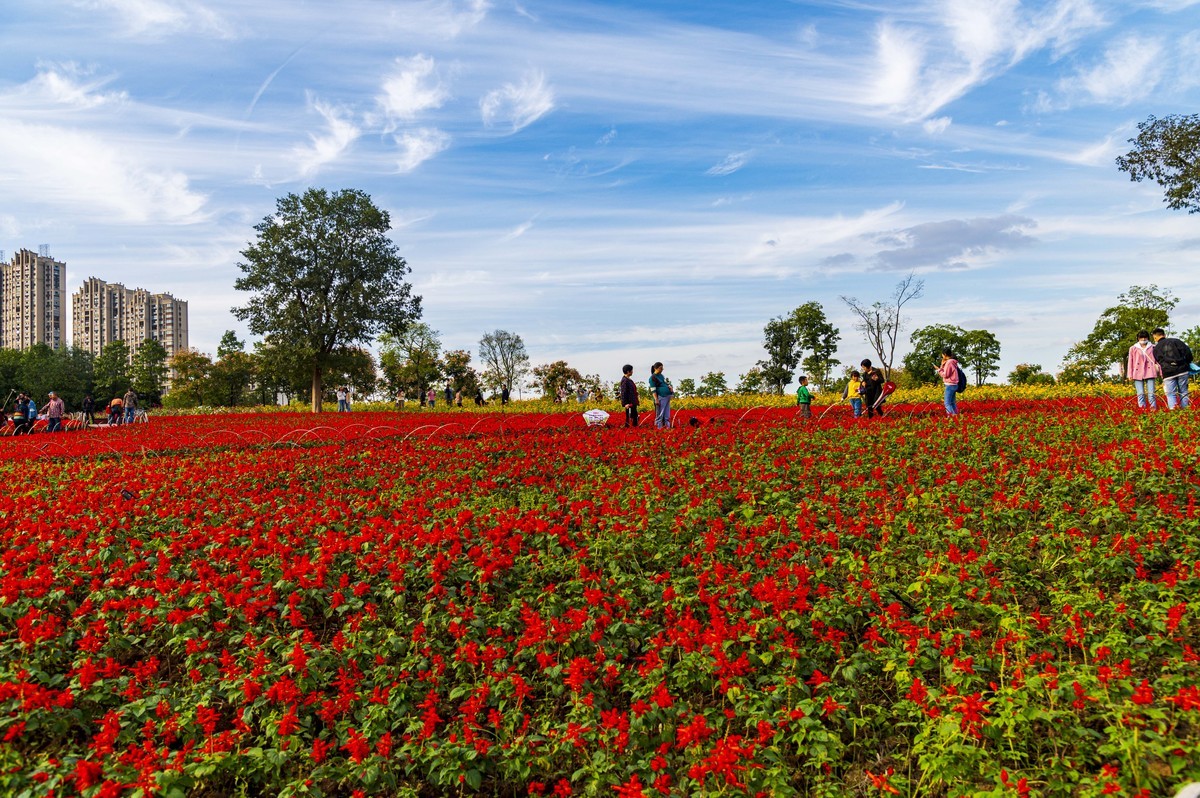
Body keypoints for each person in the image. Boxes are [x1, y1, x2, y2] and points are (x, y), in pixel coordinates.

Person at [1151, 328, 1192, 410]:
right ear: (1164, 334)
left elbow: (1159, 360)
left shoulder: (1156, 348)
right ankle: (1186, 411)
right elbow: (1188, 353)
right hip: (1182, 370)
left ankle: (1174, 411)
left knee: (1170, 394)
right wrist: (1186, 362)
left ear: (1155, 337)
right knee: (1183, 392)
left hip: (1168, 373)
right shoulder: (1177, 341)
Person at [1127, 331, 1159, 410]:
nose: (1143, 339)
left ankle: (1153, 409)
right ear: (1138, 338)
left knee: (1151, 394)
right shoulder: (1133, 348)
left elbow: (1158, 361)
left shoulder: (1153, 347)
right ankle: (1142, 410)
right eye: (1141, 337)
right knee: (1140, 393)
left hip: (1150, 371)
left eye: (1145, 337)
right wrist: (1130, 374)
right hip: (1138, 372)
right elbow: (1130, 362)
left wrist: (1160, 371)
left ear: (1148, 338)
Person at [649, 362, 674, 429]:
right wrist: (656, 399)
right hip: (661, 397)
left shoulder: (661, 376)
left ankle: (667, 427)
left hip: (667, 396)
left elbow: (664, 383)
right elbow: (653, 390)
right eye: (660, 368)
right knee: (660, 414)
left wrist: (669, 387)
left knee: (666, 414)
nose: (662, 369)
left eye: (662, 368)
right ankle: (658, 428)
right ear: (655, 368)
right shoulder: (652, 378)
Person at [936, 348, 960, 416]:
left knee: (947, 403)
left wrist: (938, 370)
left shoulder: (949, 362)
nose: (942, 356)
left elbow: (945, 375)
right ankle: (956, 416)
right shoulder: (952, 362)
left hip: (950, 385)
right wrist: (942, 364)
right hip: (954, 384)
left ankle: (952, 417)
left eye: (942, 354)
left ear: (945, 354)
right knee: (952, 403)